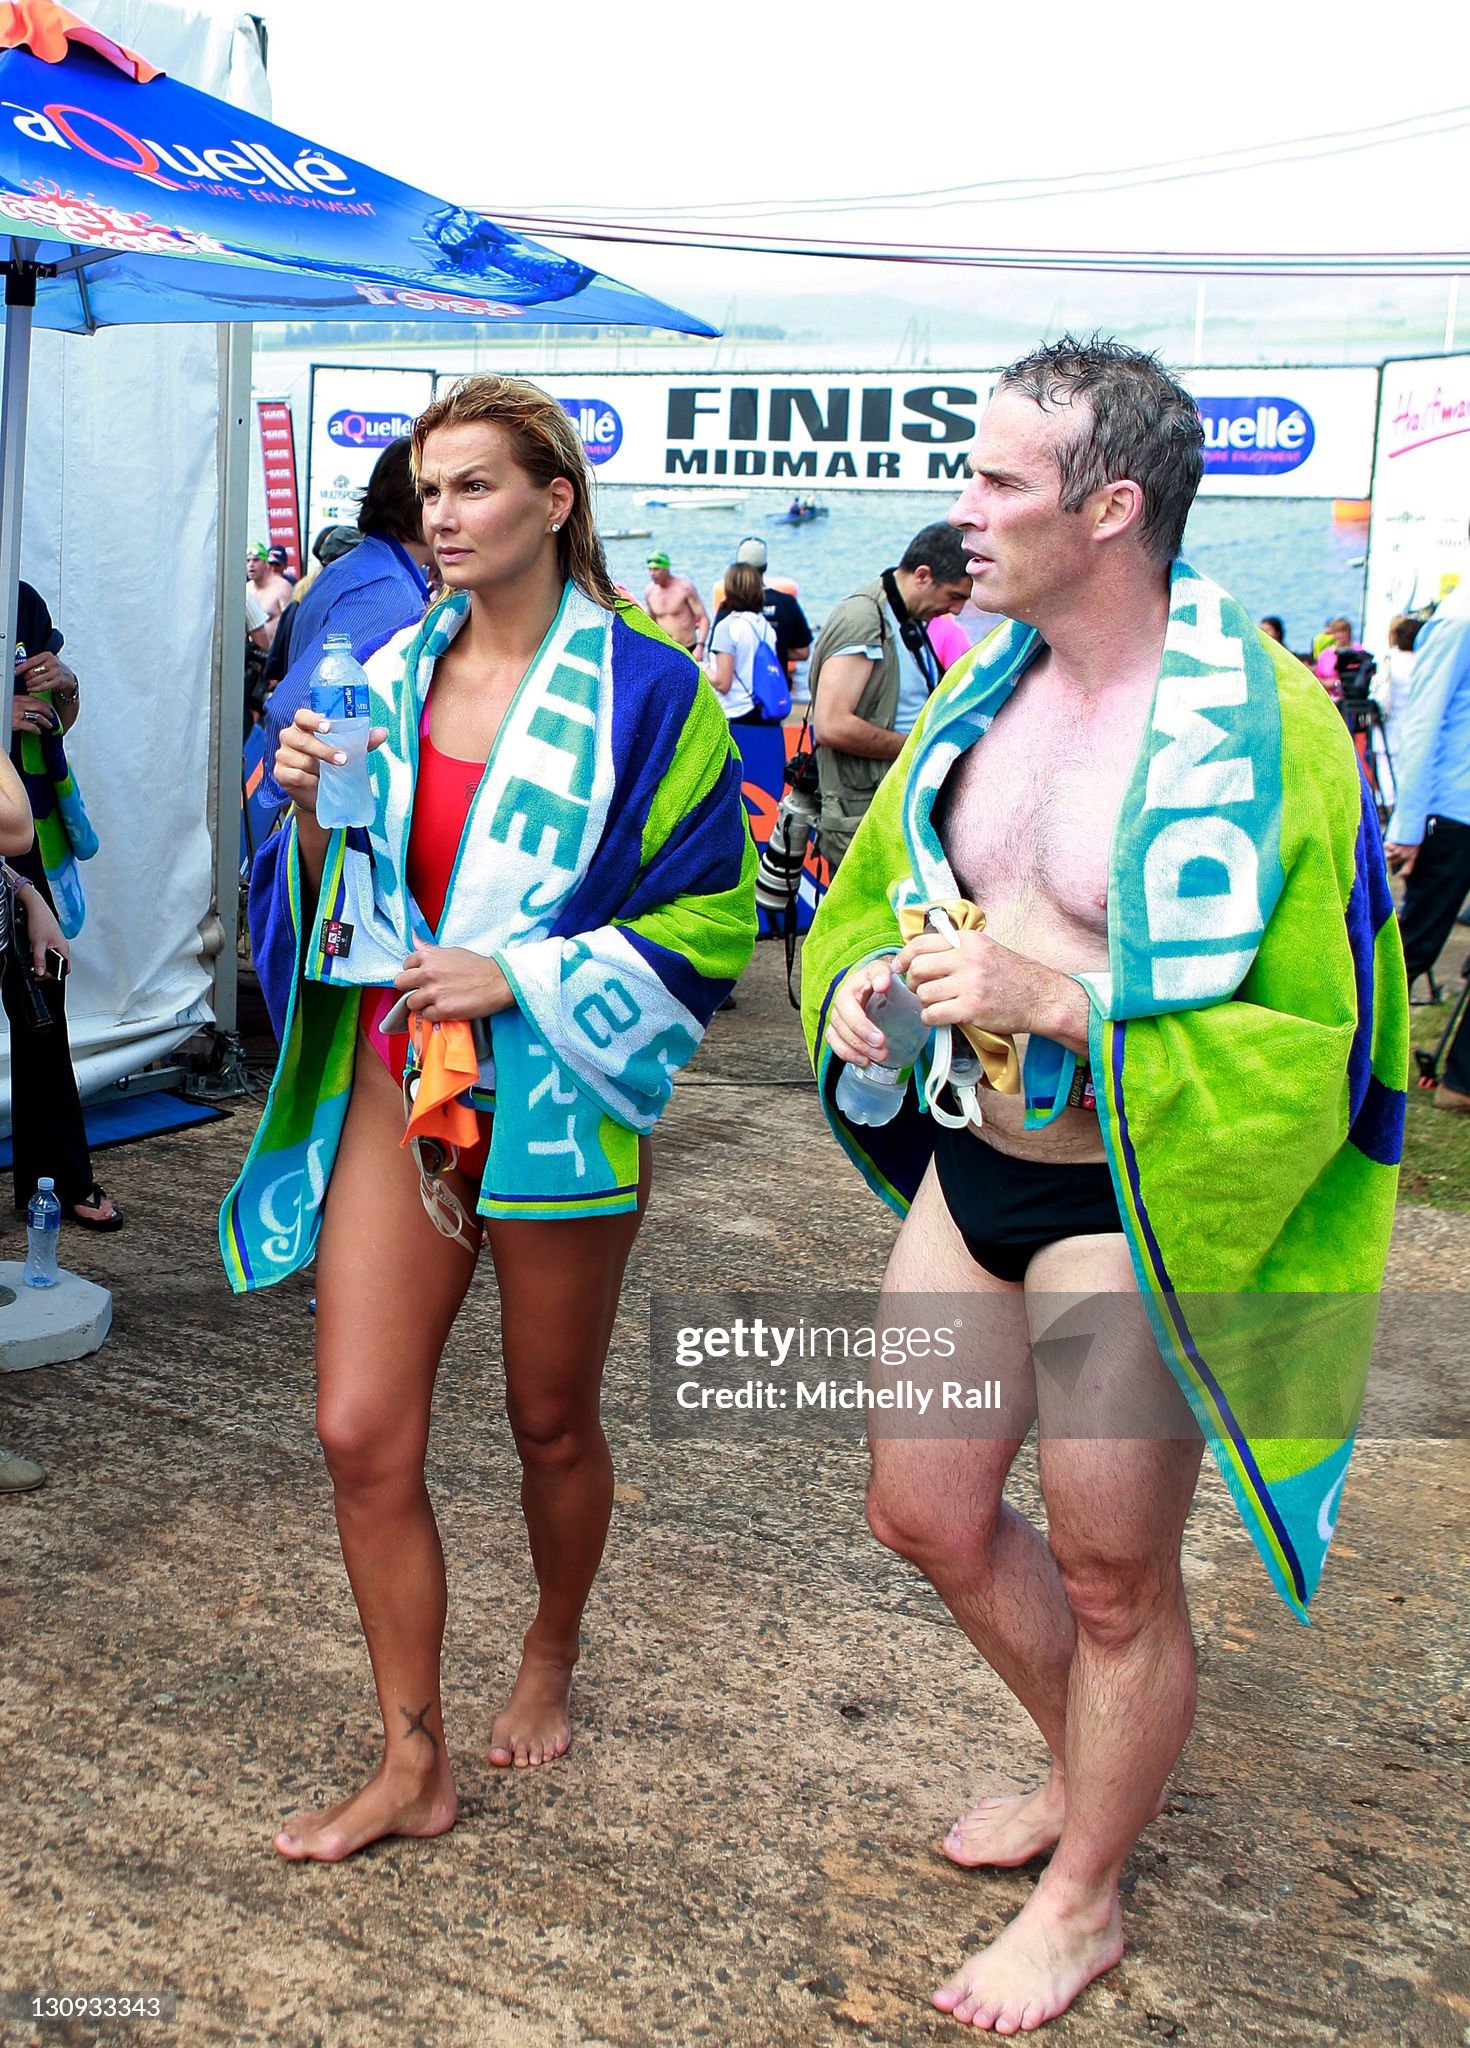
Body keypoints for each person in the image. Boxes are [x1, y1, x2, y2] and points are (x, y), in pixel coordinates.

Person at [801, 337, 1405, 2031]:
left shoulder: (1269, 723)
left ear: (1112, 506)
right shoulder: (981, 684)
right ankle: (1093, 1764)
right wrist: (855, 981)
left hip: (1134, 1199)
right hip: (976, 1164)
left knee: (1117, 1575)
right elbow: (878, 897)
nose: (965, 511)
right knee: (920, 1507)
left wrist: (1067, 997)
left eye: (1001, 480)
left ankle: (1086, 1894)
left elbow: (1327, 1034)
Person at [222, 373, 755, 1863]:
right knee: (358, 1430)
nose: (441, 517)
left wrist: (520, 973)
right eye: (427, 489)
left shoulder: (652, 694)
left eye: (472, 487)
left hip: (559, 1098)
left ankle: (553, 1647)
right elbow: (342, 895)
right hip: (408, 1083)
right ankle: (412, 1758)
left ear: (553, 500)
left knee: (548, 1418)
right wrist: (313, 800)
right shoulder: (385, 674)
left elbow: (714, 912)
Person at [5, 582, 121, 1231]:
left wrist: (66, 691)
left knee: (42, 995)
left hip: (15, 830)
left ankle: (54, 1180)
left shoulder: (20, 598)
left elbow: (52, 724)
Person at [259, 440, 435, 807]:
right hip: (328, 816)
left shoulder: (360, 567)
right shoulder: (387, 589)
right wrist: (297, 809)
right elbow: (290, 709)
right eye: (439, 492)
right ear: (420, 503)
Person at [808, 520, 972, 869]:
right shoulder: (864, 618)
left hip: (890, 805)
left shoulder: (904, 618)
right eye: (955, 596)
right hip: (862, 815)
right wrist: (917, 748)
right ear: (923, 576)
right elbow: (832, 725)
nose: (957, 610)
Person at [1384, 560, 1470, 1105]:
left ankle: (1460, 1080)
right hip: (1450, 815)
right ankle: (1330, 1066)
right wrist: (1409, 827)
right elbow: (1423, 722)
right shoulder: (1459, 621)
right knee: (1407, 952)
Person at [711, 537, 812, 676]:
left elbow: (717, 652)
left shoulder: (729, 605)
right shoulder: (786, 602)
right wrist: (774, 650)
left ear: (737, 569)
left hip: (738, 691)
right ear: (765, 567)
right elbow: (803, 652)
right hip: (774, 689)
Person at [707, 561, 780, 725]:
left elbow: (722, 683)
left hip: (734, 714)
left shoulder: (727, 627)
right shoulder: (765, 626)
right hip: (762, 710)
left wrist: (701, 667)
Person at [641, 551, 709, 660]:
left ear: (666, 569)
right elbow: (651, 622)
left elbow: (703, 618)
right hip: (666, 650)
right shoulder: (650, 591)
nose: (652, 573)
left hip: (688, 648)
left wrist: (700, 646)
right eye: (650, 569)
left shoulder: (684, 587)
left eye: (656, 569)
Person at [245, 542, 293, 647]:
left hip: (274, 654)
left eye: (256, 560)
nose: (251, 565)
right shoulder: (245, 589)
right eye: (248, 560)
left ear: (266, 563)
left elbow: (292, 625)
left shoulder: (282, 587)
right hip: (252, 655)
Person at [1313, 615, 1364, 691]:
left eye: (1343, 631)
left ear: (1349, 633)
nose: (1340, 635)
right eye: (1337, 632)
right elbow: (1318, 679)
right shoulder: (1326, 654)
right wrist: (1334, 683)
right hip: (1332, 696)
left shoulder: (1359, 650)